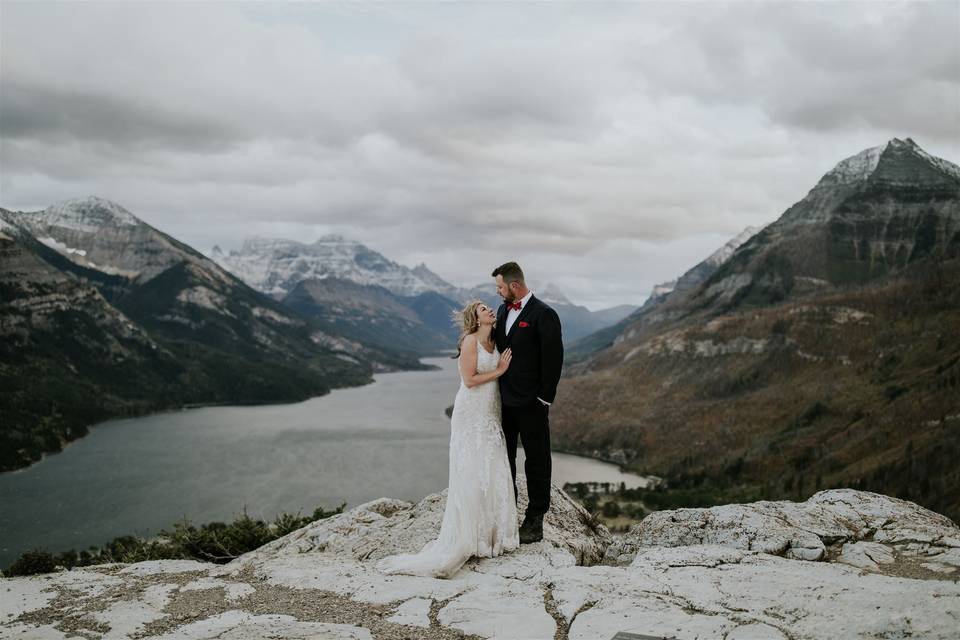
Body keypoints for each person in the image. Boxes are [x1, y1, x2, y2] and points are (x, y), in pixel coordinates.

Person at [375, 300, 520, 578]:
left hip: (491, 411)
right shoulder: (469, 341)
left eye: (489, 307)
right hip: (471, 411)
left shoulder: (494, 338)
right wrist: (500, 371)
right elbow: (469, 380)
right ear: (475, 319)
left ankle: (494, 536)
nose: (490, 310)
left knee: (491, 468)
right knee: (472, 471)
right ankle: (471, 538)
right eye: (483, 309)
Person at [491, 262, 563, 544]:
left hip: (532, 403)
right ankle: (509, 513)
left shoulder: (544, 314)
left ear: (513, 286)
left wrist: (544, 398)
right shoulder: (502, 310)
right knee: (505, 459)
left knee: (537, 460)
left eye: (499, 287)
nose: (497, 292)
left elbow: (553, 358)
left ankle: (535, 519)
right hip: (503, 401)